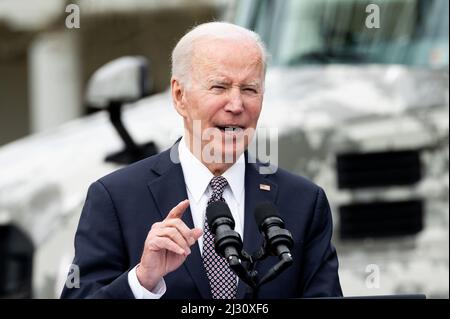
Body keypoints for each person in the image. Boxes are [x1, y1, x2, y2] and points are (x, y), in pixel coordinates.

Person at [61, 22, 342, 299]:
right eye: (219, 87)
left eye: (249, 89)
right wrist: (142, 281)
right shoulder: (115, 198)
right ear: (179, 95)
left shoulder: (304, 202)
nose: (236, 105)